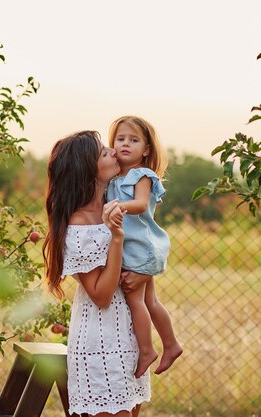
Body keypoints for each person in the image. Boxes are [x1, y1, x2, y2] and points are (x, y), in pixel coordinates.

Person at [43, 130, 150, 417]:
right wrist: (116, 238)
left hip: (126, 335)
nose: (114, 151)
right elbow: (101, 295)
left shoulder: (113, 206)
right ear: (87, 169)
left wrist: (143, 274)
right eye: (104, 152)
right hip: (100, 343)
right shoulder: (78, 226)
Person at [106, 115, 183, 378]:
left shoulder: (142, 175)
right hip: (131, 249)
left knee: (136, 299)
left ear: (146, 149)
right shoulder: (114, 177)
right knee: (150, 300)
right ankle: (171, 344)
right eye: (120, 139)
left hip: (142, 248)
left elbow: (139, 204)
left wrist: (115, 207)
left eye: (134, 140)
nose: (125, 144)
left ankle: (147, 350)